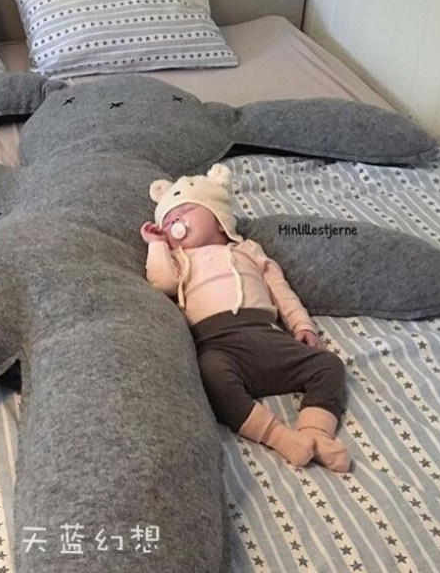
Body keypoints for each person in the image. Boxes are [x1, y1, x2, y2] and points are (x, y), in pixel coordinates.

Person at [141, 164, 350, 472]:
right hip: (217, 344)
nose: (175, 221)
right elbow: (162, 283)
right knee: (210, 378)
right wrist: (158, 245)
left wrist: (302, 325)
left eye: (185, 211)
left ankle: (315, 434)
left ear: (218, 217)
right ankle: (280, 437)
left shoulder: (248, 250)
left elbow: (280, 290)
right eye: (168, 219)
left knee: (329, 365)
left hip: (265, 334)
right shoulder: (178, 259)